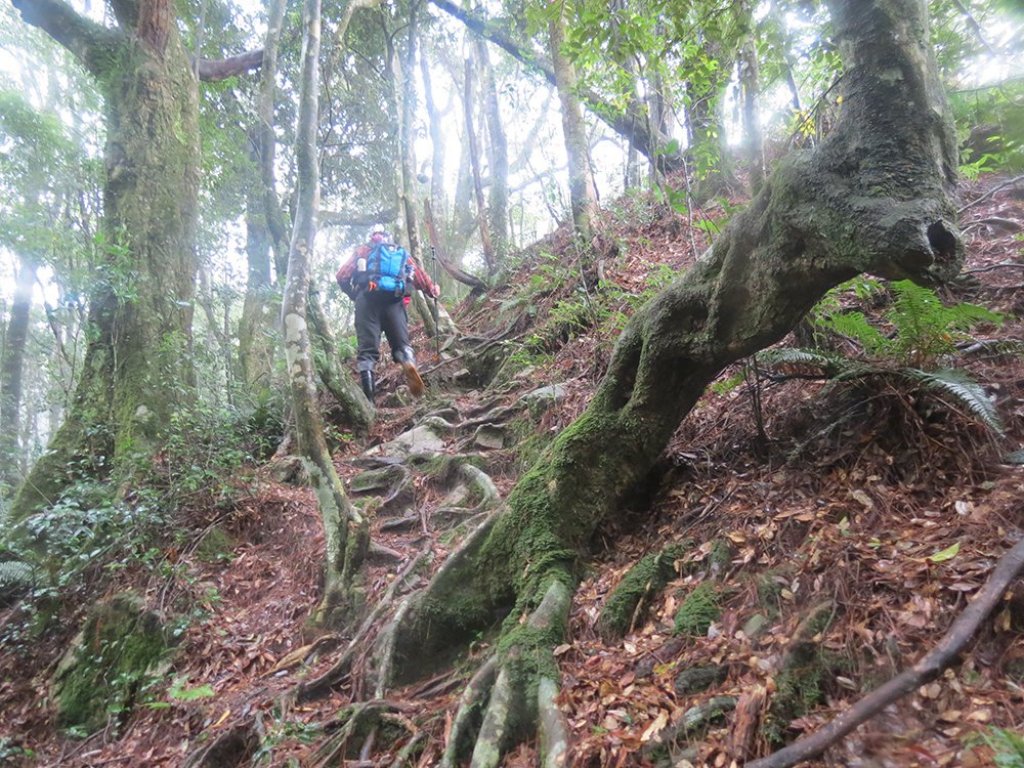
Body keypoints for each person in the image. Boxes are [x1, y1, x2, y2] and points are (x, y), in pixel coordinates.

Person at [336, 227, 440, 405]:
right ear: (387, 238)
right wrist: (432, 289)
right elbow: (419, 277)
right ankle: (407, 361)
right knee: (402, 345)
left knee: (367, 353)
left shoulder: (363, 251)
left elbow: (342, 276)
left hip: (367, 302)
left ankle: (369, 403)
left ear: (372, 237)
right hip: (394, 303)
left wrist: (354, 294)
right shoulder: (400, 253)